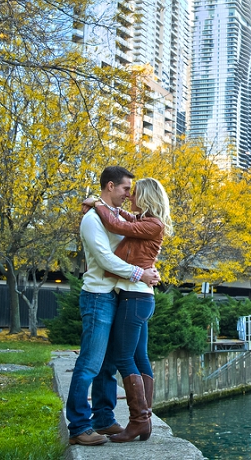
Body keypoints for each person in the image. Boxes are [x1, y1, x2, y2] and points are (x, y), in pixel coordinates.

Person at [65, 166, 161, 447]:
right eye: (125, 189)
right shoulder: (93, 220)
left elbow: (136, 247)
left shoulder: (119, 216)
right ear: (110, 186)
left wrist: (148, 269)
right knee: (90, 364)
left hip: (118, 295)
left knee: (108, 365)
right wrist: (139, 274)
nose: (128, 195)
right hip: (98, 296)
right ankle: (79, 427)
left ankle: (104, 418)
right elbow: (107, 259)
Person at [87, 177, 171, 443]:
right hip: (138, 296)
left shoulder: (152, 224)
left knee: (123, 358)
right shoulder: (147, 222)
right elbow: (124, 219)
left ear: (145, 197)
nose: (130, 197)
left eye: (134, 194)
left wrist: (98, 204)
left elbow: (115, 224)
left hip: (134, 297)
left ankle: (138, 421)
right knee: (138, 355)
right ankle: (144, 421)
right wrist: (110, 207)